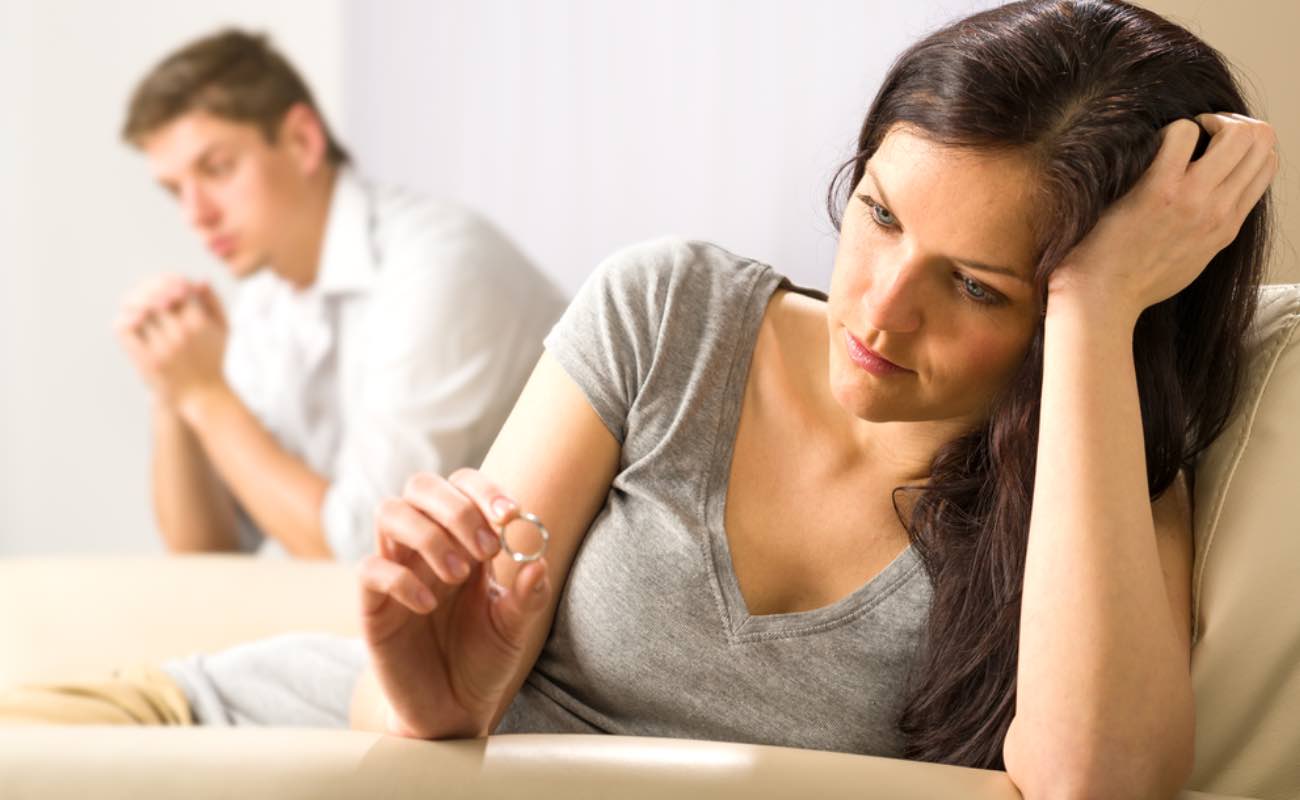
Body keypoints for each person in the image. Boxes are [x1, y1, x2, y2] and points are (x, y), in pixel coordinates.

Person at [1, 2, 1278, 798]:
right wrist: (428, 691)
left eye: (980, 286)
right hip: (228, 732)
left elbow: (1088, 784)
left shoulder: (1087, 490)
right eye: (878, 213)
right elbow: (404, 719)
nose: (879, 311)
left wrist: (1095, 311)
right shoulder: (671, 311)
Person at [111, 29, 566, 561]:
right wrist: (173, 392)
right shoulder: (265, 300)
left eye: (216, 169)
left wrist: (207, 395)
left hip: (537, 615)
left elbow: (363, 555)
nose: (195, 214)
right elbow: (209, 556)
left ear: (303, 141)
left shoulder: (437, 268)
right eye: (175, 191)